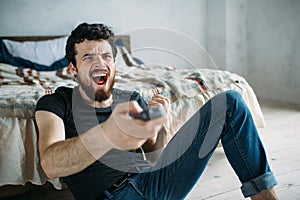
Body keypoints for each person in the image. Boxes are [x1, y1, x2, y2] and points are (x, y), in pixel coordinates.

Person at [35, 22, 279, 200]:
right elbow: (51, 164)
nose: (100, 63)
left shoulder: (130, 99)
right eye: (88, 57)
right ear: (73, 69)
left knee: (230, 102)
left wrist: (158, 125)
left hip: (156, 182)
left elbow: (153, 156)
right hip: (115, 195)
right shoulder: (57, 102)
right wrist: (109, 133)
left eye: (106, 56)